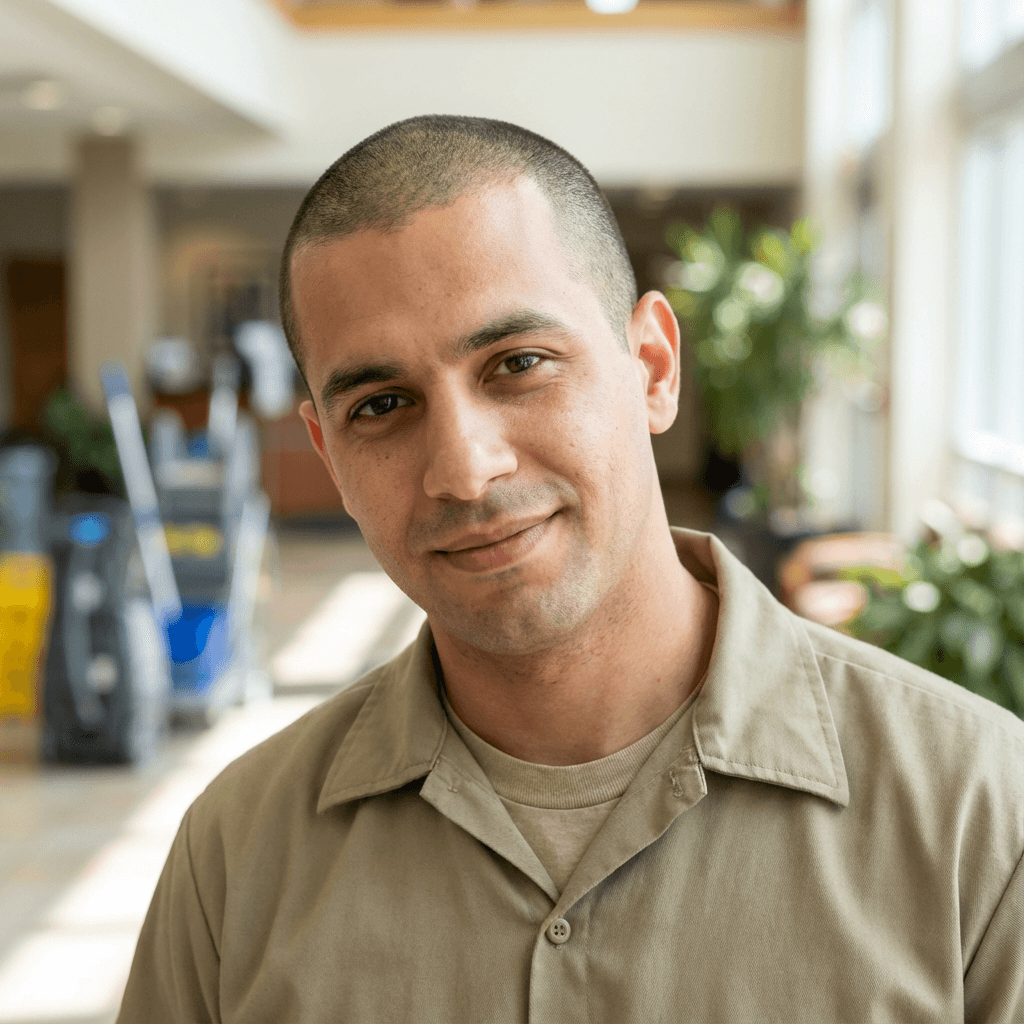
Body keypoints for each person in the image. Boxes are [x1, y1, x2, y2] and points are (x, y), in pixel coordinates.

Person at [118, 116, 1023, 1024]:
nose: (465, 468)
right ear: (327, 454)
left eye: (519, 363)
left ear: (654, 369)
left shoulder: (978, 816)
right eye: (382, 404)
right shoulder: (235, 860)